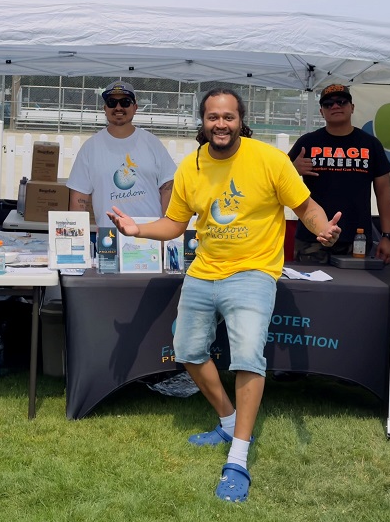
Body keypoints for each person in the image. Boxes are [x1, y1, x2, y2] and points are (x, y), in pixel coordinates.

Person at [107, 88, 341, 503]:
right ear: (203, 121)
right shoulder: (191, 166)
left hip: (253, 273)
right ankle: (228, 421)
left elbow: (307, 207)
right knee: (188, 350)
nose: (221, 124)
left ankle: (238, 457)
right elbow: (175, 224)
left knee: (248, 354)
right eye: (213, 117)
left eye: (228, 117)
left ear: (240, 119)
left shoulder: (269, 159)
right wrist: (139, 230)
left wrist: (322, 227)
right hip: (203, 272)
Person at [288, 83, 390, 264]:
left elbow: (384, 192)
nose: (335, 106)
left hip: (357, 238)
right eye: (328, 104)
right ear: (321, 112)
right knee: (308, 291)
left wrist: (387, 236)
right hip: (312, 236)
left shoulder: (370, 144)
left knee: (353, 290)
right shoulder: (307, 142)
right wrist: (292, 169)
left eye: (341, 101)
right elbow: (277, 181)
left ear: (352, 107)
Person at [68, 80, 176, 227]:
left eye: (125, 102)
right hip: (110, 241)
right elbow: (78, 199)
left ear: (135, 107)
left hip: (150, 241)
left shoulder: (152, 143)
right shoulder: (90, 148)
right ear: (105, 108)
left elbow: (168, 188)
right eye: (112, 102)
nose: (118, 107)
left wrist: (167, 232)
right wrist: (77, 241)